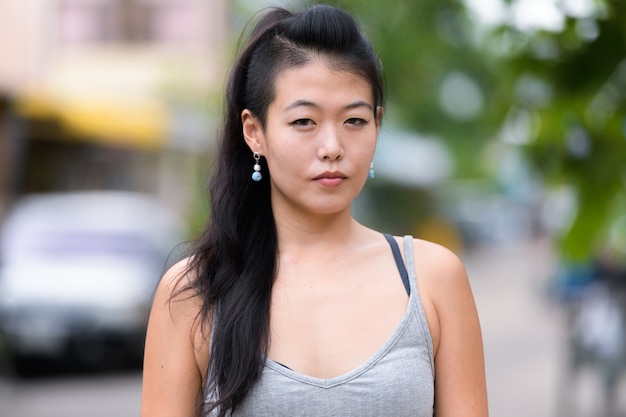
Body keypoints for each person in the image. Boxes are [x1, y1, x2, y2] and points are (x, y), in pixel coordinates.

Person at [141, 4, 488, 417]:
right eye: (304, 121)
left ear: (378, 123)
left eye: (354, 121)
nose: (332, 147)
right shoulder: (194, 292)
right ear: (254, 132)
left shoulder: (432, 279)